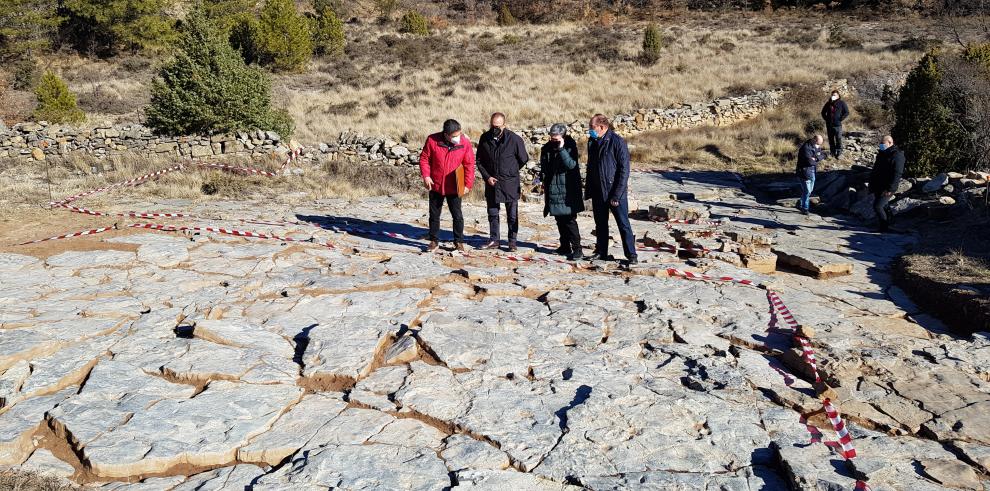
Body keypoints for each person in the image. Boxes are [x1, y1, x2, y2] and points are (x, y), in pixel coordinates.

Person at [585, 114, 637, 265]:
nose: (590, 131)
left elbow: (624, 170)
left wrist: (617, 194)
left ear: (601, 127)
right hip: (598, 191)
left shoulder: (617, 142)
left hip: (614, 192)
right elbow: (591, 167)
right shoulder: (592, 141)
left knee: (623, 223)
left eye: (592, 128)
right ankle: (601, 252)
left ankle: (631, 254)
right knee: (600, 224)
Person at [419, 119, 475, 252]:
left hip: (455, 186)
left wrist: (468, 184)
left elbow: (469, 165)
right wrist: (426, 176)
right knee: (434, 215)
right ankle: (433, 241)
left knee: (457, 215)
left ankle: (459, 241)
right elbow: (424, 159)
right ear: (446, 134)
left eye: (459, 135)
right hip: (436, 185)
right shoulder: (432, 140)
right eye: (455, 136)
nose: (458, 138)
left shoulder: (464, 142)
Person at [476, 112, 529, 252]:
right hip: (491, 183)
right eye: (493, 126)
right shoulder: (484, 138)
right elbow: (479, 161)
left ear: (504, 125)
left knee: (512, 215)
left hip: (510, 183)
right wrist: (487, 177)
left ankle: (512, 242)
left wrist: (510, 171)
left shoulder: (515, 139)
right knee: (492, 213)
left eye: (498, 126)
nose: (495, 128)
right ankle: (494, 240)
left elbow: (523, 159)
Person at [540, 123, 584, 261]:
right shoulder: (546, 148)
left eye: (556, 138)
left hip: (567, 189)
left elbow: (571, 165)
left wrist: (561, 149)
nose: (554, 140)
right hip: (553, 188)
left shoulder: (570, 146)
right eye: (552, 138)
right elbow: (545, 168)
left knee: (570, 220)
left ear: (563, 136)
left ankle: (577, 249)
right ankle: (565, 246)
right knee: (559, 219)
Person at [868, 135, 906, 232]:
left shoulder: (897, 155)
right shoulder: (882, 153)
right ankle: (890, 224)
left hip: (887, 187)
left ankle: (883, 228)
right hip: (878, 185)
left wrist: (891, 189)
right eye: (880, 143)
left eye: (883, 143)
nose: (881, 145)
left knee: (878, 206)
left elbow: (897, 173)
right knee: (884, 206)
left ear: (890, 143)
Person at [795, 135, 825, 215]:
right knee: (807, 191)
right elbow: (810, 162)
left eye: (819, 144)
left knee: (809, 190)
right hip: (804, 172)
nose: (818, 146)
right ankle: (805, 208)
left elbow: (823, 155)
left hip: (812, 171)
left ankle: (800, 203)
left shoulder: (816, 146)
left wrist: (816, 158)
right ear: (813, 140)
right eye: (818, 143)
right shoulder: (806, 148)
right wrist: (816, 158)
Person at [821, 90, 849, 159]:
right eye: (832, 95)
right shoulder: (828, 103)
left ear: (838, 96)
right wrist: (826, 119)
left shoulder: (842, 103)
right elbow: (823, 112)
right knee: (831, 140)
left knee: (838, 139)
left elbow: (846, 112)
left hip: (837, 125)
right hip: (829, 125)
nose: (833, 96)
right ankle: (832, 153)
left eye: (835, 95)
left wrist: (840, 119)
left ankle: (839, 153)